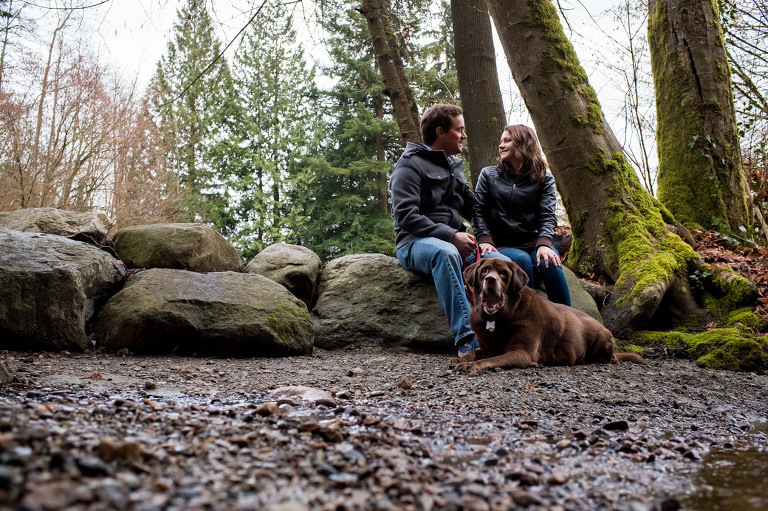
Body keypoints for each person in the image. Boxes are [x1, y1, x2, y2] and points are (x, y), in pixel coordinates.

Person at [389, 104, 508, 356]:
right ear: (441, 131)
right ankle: (469, 340)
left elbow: (474, 207)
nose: (464, 135)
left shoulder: (454, 166)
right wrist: (450, 235)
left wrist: (485, 239)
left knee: (504, 263)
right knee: (446, 253)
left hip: (454, 242)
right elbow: (405, 216)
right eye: (459, 130)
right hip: (414, 244)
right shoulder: (408, 166)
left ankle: (507, 336)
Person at [474, 124, 571, 306]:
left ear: (523, 143)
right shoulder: (488, 174)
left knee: (550, 264)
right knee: (521, 261)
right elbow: (478, 210)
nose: (501, 145)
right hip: (502, 244)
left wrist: (544, 244)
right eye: (501, 141)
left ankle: (569, 319)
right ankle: (527, 316)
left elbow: (547, 214)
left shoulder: (544, 178)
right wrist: (485, 239)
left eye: (507, 140)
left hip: (534, 241)